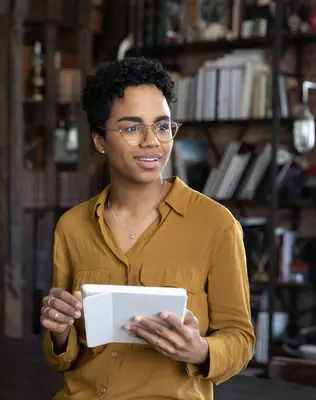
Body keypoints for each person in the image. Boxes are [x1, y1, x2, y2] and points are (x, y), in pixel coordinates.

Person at [40, 57, 255, 400]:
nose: (152, 141)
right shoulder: (72, 227)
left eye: (163, 126)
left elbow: (240, 339)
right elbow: (63, 357)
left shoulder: (217, 226)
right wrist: (59, 332)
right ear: (99, 140)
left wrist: (200, 350)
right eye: (131, 127)